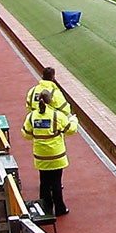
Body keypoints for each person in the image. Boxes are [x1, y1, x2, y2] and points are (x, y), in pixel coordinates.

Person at [23, 88, 76, 219]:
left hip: (41, 157)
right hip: (57, 156)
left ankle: (45, 207)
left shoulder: (32, 116)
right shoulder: (57, 115)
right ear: (51, 101)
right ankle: (60, 208)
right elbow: (70, 130)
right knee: (56, 183)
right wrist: (74, 120)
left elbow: (26, 134)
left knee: (44, 182)